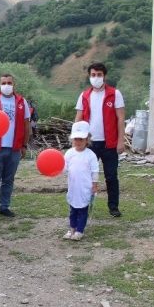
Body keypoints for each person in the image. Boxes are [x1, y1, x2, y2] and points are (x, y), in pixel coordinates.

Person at [75, 62, 125, 217]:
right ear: (89, 76)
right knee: (86, 176)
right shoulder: (84, 95)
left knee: (111, 176)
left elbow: (120, 118)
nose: (96, 77)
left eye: (99, 75)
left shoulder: (114, 94)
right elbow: (78, 119)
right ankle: (84, 205)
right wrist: (76, 141)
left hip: (109, 143)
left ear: (104, 76)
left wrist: (121, 141)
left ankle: (113, 207)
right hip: (89, 144)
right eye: (93, 75)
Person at [0, 73, 30, 220]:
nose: (6, 85)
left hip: (14, 148)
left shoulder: (22, 102)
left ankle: (4, 207)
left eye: (9, 83)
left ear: (14, 84)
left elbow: (27, 125)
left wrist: (24, 145)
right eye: (4, 83)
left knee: (9, 180)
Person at [62, 121, 99, 241]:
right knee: (73, 210)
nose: (78, 142)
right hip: (73, 187)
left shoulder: (91, 155)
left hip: (85, 188)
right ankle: (72, 228)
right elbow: (64, 167)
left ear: (87, 140)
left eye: (81, 139)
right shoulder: (69, 153)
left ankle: (80, 230)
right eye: (75, 139)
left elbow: (95, 171)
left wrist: (94, 185)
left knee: (83, 210)